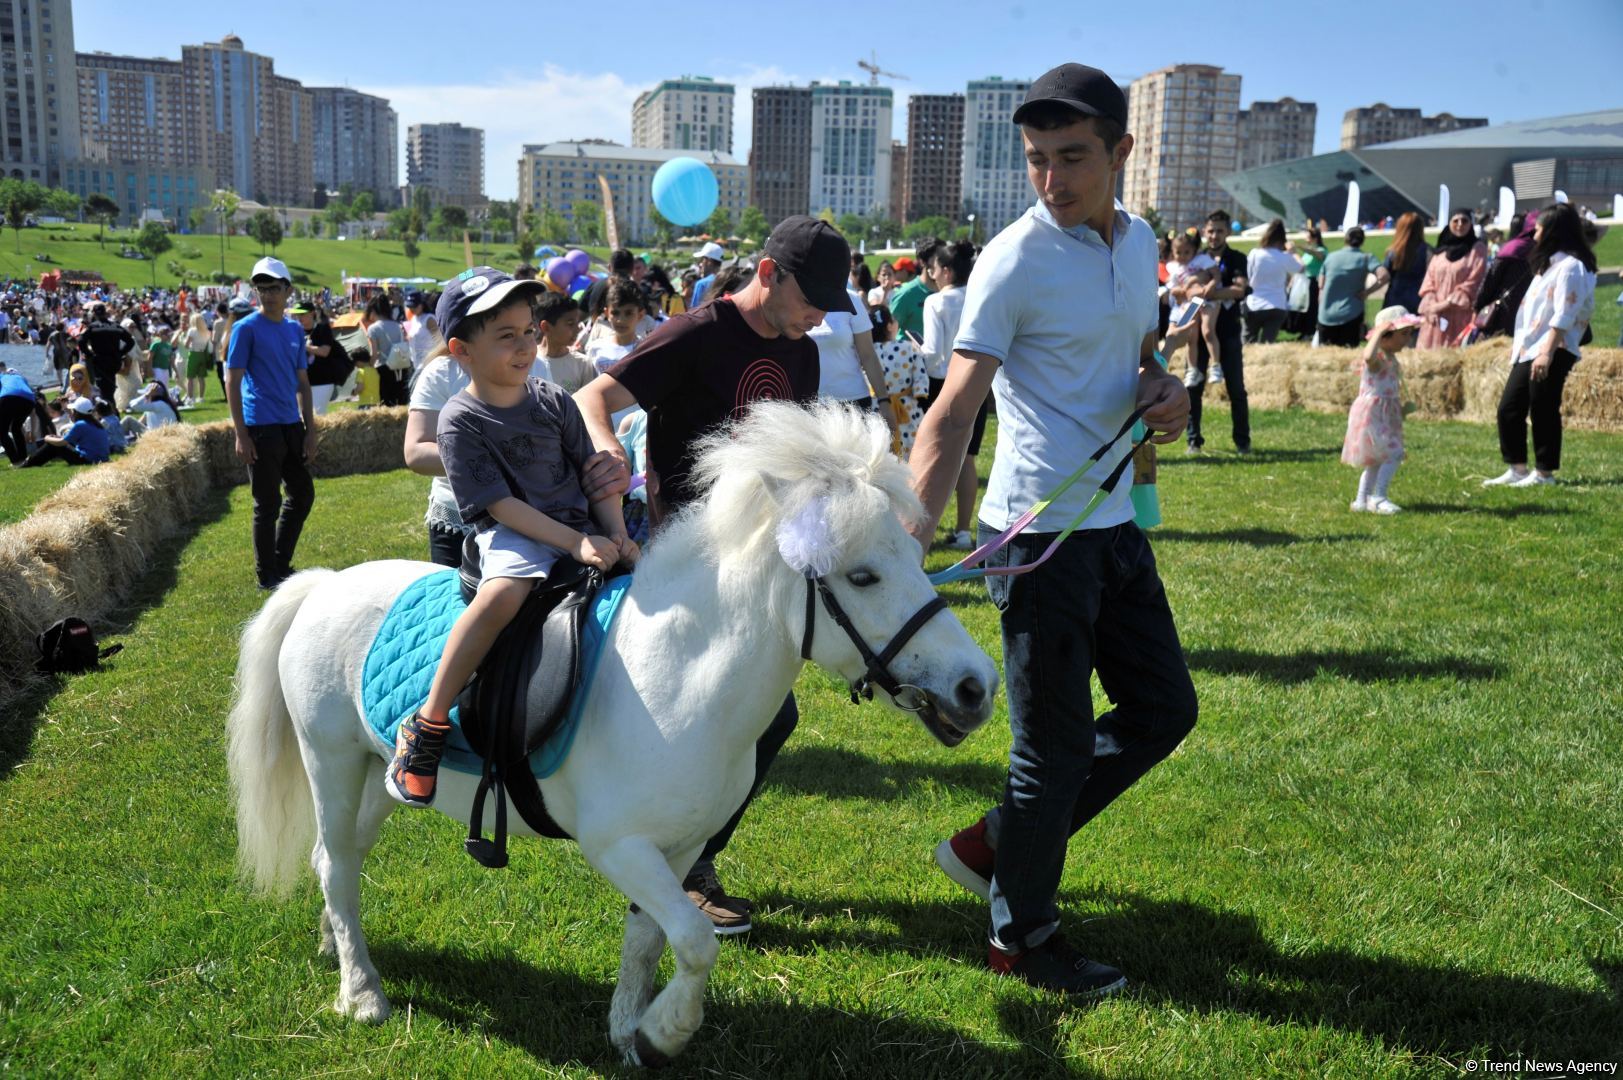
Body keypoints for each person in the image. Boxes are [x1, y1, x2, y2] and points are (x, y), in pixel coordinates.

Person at [910, 62, 1194, 998]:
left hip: (1113, 523)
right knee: (1052, 749)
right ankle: (1019, 938)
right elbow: (954, 411)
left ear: (1120, 152)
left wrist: (1164, 391)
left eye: (1071, 158)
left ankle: (997, 844)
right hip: (1037, 538)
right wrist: (910, 542)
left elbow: (1137, 356)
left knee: (1164, 710)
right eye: (1036, 161)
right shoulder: (1014, 258)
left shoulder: (1140, 238)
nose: (1051, 180)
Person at [574, 215, 854, 934]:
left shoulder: (803, 352)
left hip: (760, 562)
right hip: (686, 558)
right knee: (730, 711)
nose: (818, 314)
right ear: (767, 272)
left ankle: (685, 854)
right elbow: (593, 399)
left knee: (768, 712)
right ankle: (676, 861)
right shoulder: (695, 333)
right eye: (810, 297)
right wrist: (610, 451)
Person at [385, 268, 636, 808]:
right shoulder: (459, 420)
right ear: (461, 351)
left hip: (579, 524)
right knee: (505, 593)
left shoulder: (554, 400)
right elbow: (501, 505)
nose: (525, 346)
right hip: (513, 531)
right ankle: (427, 724)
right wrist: (575, 543)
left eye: (529, 331)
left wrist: (617, 532)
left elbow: (592, 473)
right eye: (506, 336)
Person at [1482, 203, 1597, 488]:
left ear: (1553, 232)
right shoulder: (1548, 266)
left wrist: (1547, 352)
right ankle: (1518, 468)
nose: (1534, 235)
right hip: (1530, 347)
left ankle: (1544, 473)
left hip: (1552, 348)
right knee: (1509, 408)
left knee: (1543, 407)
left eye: (1539, 229)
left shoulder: (1571, 267)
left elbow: (1564, 314)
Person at [227, 257, 317, 591]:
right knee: (267, 504)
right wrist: (241, 433)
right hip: (260, 427)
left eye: (274, 287)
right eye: (262, 288)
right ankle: (267, 575)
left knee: (302, 494)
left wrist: (311, 430)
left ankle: (279, 564)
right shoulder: (245, 328)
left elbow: (303, 383)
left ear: (288, 290)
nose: (268, 294)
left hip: (291, 426)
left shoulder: (294, 329)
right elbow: (232, 382)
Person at [921, 239, 981, 547]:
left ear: (945, 271)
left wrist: (914, 351)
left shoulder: (937, 302)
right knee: (968, 458)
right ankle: (963, 530)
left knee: (934, 457)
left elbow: (932, 353)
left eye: (933, 269)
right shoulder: (979, 296)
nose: (931, 275)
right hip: (979, 379)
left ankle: (922, 532)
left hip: (942, 382)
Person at [1184, 209, 1250, 453]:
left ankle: (1242, 441)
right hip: (1198, 334)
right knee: (1193, 388)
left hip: (1229, 332)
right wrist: (1204, 293)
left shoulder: (1237, 259)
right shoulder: (1195, 258)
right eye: (1211, 231)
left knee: (1236, 390)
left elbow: (1239, 289)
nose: (1214, 236)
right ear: (1204, 231)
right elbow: (1184, 290)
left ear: (1228, 232)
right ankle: (1193, 440)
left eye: (1219, 231)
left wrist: (1208, 293)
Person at [1343, 306, 1421, 513]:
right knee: (1394, 454)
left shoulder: (1390, 357)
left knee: (1377, 458)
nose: (1407, 339)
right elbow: (1367, 357)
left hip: (1386, 412)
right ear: (1385, 337)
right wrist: (1377, 332)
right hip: (1374, 413)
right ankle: (1378, 497)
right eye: (1403, 334)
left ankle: (1361, 500)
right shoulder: (1377, 359)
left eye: (1409, 334)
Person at [807, 278, 900, 444]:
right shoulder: (798, 299)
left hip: (853, 403)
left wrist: (884, 401)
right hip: (812, 406)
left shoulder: (851, 300)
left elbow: (868, 355)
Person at [1417, 210, 1488, 348]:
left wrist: (1444, 304)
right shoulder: (1441, 251)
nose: (1460, 224)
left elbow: (1474, 281)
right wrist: (1431, 306)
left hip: (1460, 314)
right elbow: (1429, 281)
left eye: (1464, 221)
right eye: (1455, 221)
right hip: (1435, 316)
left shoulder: (1477, 249)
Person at [870, 304, 930, 458]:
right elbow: (920, 377)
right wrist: (920, 391)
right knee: (912, 448)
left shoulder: (867, 351)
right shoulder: (908, 348)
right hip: (907, 407)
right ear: (890, 326)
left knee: (880, 450)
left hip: (877, 407)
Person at [1161, 231, 1221, 385]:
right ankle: (1192, 370)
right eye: (1178, 252)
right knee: (1190, 336)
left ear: (1194, 250)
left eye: (1186, 252)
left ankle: (1215, 366)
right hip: (1190, 303)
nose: (1182, 256)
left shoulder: (1201, 260)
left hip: (1206, 299)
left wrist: (1210, 285)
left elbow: (1216, 274)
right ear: (1173, 253)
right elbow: (1174, 290)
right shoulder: (1173, 267)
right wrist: (1186, 288)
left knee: (1208, 331)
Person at [1317, 227, 1387, 348]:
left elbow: (1321, 284)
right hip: (1352, 313)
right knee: (1348, 353)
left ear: (1346, 239)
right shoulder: (1366, 258)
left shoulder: (1331, 257)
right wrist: (1367, 292)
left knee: (1326, 356)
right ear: (1362, 241)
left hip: (1326, 314)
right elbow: (1384, 276)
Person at [1472, 213, 1535, 340]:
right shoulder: (1541, 250)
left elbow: (1490, 281)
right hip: (1529, 312)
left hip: (1504, 311)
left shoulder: (1510, 249)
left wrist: (1478, 306)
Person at [1242, 219, 1301, 344]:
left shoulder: (1254, 254)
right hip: (1277, 304)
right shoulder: (1284, 257)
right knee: (1268, 344)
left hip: (1255, 303)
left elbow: (1247, 275)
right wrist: (1293, 253)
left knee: (1247, 342)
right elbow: (1301, 268)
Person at [20, 395, 110, 467]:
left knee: (53, 445)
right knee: (55, 443)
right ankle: (31, 462)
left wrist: (47, 438)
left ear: (77, 412)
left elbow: (62, 442)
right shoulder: (94, 423)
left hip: (88, 460)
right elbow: (68, 441)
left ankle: (28, 464)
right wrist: (57, 438)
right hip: (99, 459)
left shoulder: (81, 424)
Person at [535, 292, 595, 393]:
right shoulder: (528, 360)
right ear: (546, 327)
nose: (578, 329)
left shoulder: (583, 364)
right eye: (570, 324)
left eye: (577, 323)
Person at [80, 305, 136, 405]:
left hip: (100, 361)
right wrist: (120, 353)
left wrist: (90, 355)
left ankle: (110, 412)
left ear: (94, 314)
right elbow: (130, 341)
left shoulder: (93, 327)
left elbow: (81, 342)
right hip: (114, 361)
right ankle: (110, 409)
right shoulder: (115, 326)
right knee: (109, 387)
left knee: (104, 390)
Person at [363, 293, 410, 407]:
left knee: (386, 403)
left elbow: (374, 354)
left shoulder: (373, 328)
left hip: (384, 368)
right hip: (401, 366)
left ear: (373, 311)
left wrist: (368, 366)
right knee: (401, 402)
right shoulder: (398, 325)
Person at [1381, 212, 1429, 317]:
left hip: (1395, 296)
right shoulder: (1427, 250)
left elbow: (1385, 275)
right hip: (1418, 297)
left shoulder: (1393, 251)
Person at [0, 367, 37, 464]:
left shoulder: (2, 376)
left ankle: (15, 461)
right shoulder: (22, 378)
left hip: (9, 398)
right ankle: (23, 458)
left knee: (2, 432)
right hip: (29, 401)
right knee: (16, 428)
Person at [402, 291, 441, 379]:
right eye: (409, 307)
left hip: (428, 364)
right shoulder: (414, 318)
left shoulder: (429, 319)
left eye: (414, 306)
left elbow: (439, 341)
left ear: (421, 304)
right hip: (415, 363)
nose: (411, 309)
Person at [181, 313, 213, 405]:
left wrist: (184, 341)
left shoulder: (192, 330)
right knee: (201, 378)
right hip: (202, 354)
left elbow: (186, 345)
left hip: (194, 354)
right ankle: (201, 397)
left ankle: (190, 397)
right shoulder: (206, 331)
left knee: (190, 378)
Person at [687, 242, 726, 309]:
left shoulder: (702, 284)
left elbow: (694, 312)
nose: (700, 264)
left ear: (709, 261)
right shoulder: (728, 280)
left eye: (702, 259)